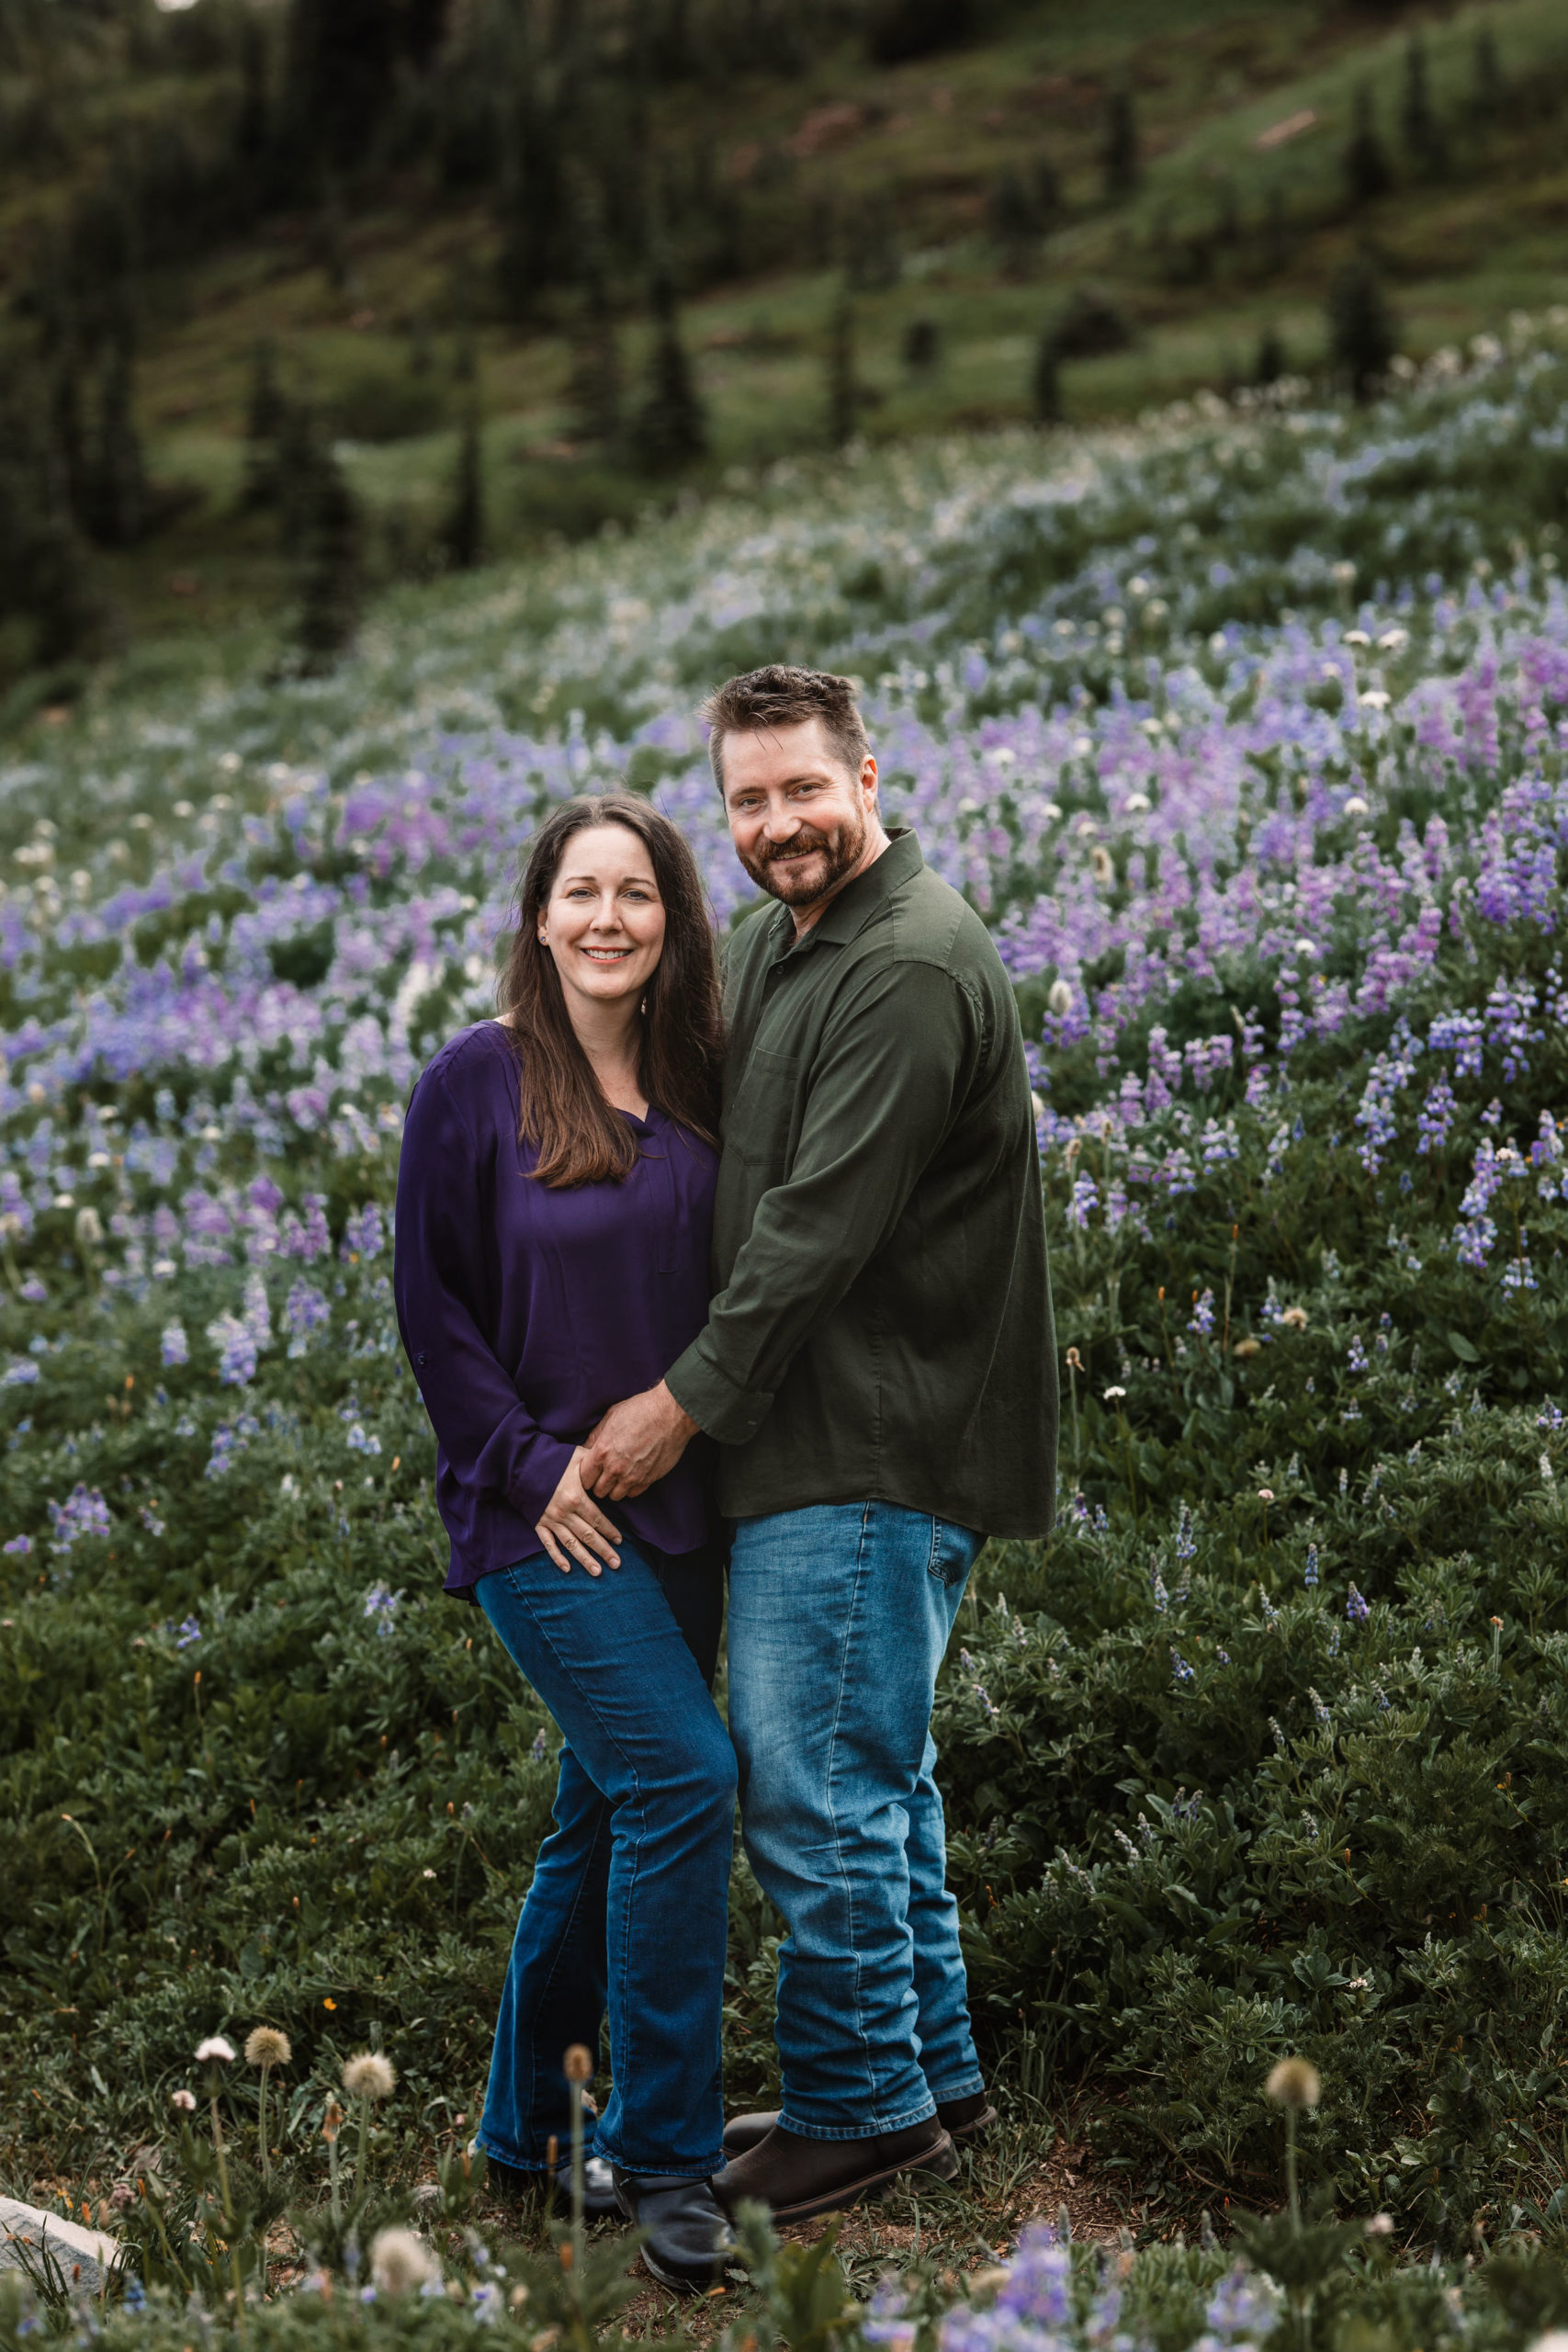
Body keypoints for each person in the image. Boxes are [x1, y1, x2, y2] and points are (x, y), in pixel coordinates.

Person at [581, 665, 1058, 2224]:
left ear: (870, 776)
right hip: (832, 1438)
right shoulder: (807, 945)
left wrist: (674, 1407)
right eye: (748, 799)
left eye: (803, 788)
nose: (776, 823)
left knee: (811, 1786)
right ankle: (926, 2069)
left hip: (862, 1441)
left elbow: (813, 1240)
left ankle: (859, 2107)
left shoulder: (908, 966)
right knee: (882, 1775)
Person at [392, 794, 737, 2290]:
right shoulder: (472, 1083)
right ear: (540, 916)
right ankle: (661, 2155)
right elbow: (433, 1308)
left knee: (601, 1812)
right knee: (683, 1776)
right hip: (538, 1514)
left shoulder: (705, 1082)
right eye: (582, 891)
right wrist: (534, 1469)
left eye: (639, 894)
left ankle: (525, 2128)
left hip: (682, 1511)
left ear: (672, 923)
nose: (610, 918)